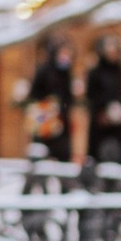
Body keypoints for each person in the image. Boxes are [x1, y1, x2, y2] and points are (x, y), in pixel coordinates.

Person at [83, 40, 121, 168]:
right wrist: (105, 110)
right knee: (104, 159)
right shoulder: (96, 73)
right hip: (103, 129)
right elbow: (91, 97)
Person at [25, 31, 78, 164]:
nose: (66, 57)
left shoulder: (66, 73)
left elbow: (68, 97)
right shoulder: (43, 70)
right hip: (45, 121)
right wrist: (49, 103)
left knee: (63, 155)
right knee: (42, 155)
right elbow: (34, 95)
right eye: (63, 53)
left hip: (61, 121)